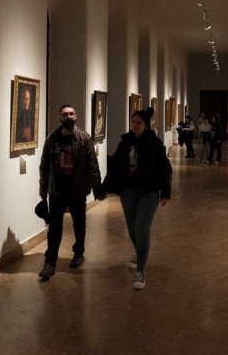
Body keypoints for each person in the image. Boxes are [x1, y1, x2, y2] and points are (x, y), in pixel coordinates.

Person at [101, 108, 171, 290]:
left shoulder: (154, 143)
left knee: (142, 229)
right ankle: (139, 253)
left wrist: (166, 192)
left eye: (139, 122)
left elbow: (164, 168)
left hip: (148, 192)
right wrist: (103, 188)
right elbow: (115, 167)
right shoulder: (125, 143)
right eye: (133, 122)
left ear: (146, 125)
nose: (135, 125)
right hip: (128, 192)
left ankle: (141, 271)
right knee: (132, 229)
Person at [37, 104, 105, 281]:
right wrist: (43, 190)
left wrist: (98, 190)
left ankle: (79, 252)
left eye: (72, 113)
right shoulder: (52, 138)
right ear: (60, 117)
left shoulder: (84, 138)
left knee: (79, 223)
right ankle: (50, 261)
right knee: (54, 227)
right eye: (65, 114)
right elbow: (44, 165)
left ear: (76, 117)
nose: (69, 116)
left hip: (77, 190)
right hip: (57, 190)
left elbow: (92, 165)